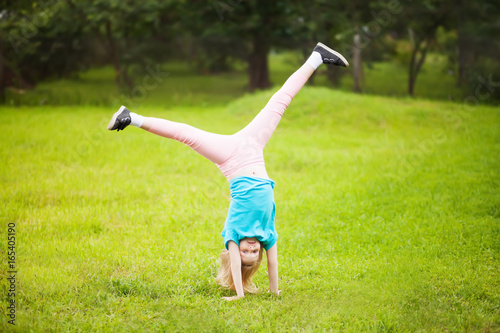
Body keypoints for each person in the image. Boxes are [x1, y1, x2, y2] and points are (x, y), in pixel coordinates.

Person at [107, 42, 348, 300]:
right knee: (280, 101)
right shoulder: (267, 235)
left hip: (231, 158)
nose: (252, 249)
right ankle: (316, 57)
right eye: (253, 254)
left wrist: (240, 294)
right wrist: (274, 291)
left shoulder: (234, 232)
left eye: (246, 252)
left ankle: (130, 118)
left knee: (185, 134)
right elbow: (273, 263)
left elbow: (235, 264)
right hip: (254, 147)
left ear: (236, 250)